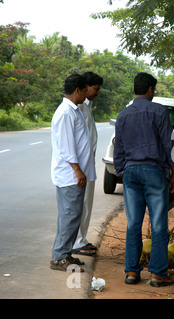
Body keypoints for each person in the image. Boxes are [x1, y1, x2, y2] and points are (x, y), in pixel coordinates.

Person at [113, 72, 174, 286]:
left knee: (133, 224)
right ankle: (158, 274)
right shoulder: (159, 111)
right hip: (154, 172)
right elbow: (169, 145)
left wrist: (123, 171)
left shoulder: (123, 115)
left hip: (131, 173)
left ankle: (132, 272)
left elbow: (118, 150)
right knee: (158, 225)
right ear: (150, 89)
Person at [50, 74, 96, 272]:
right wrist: (78, 170)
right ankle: (59, 256)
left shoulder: (73, 111)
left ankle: (65, 254)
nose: (87, 94)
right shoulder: (66, 113)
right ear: (78, 91)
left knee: (72, 215)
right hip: (70, 175)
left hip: (74, 174)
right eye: (85, 90)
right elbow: (67, 147)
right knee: (70, 215)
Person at [72, 72, 103, 257]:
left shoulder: (87, 106)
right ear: (85, 87)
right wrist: (77, 168)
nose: (97, 93)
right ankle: (76, 241)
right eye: (95, 89)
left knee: (87, 202)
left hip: (88, 161)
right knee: (79, 203)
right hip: (81, 163)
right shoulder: (77, 108)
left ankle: (81, 239)